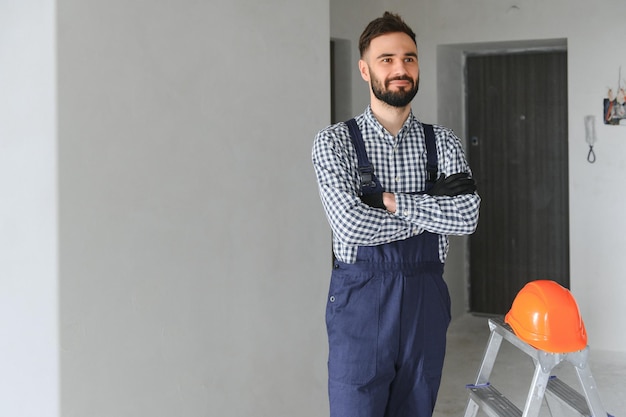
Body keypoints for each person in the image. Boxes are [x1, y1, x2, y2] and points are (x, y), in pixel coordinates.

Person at [311, 11, 480, 417]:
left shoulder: (443, 143)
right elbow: (350, 224)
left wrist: (390, 201)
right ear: (365, 69)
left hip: (425, 301)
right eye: (387, 59)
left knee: (416, 409)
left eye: (409, 58)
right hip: (360, 303)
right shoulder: (335, 142)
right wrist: (430, 203)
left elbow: (467, 217)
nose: (400, 68)